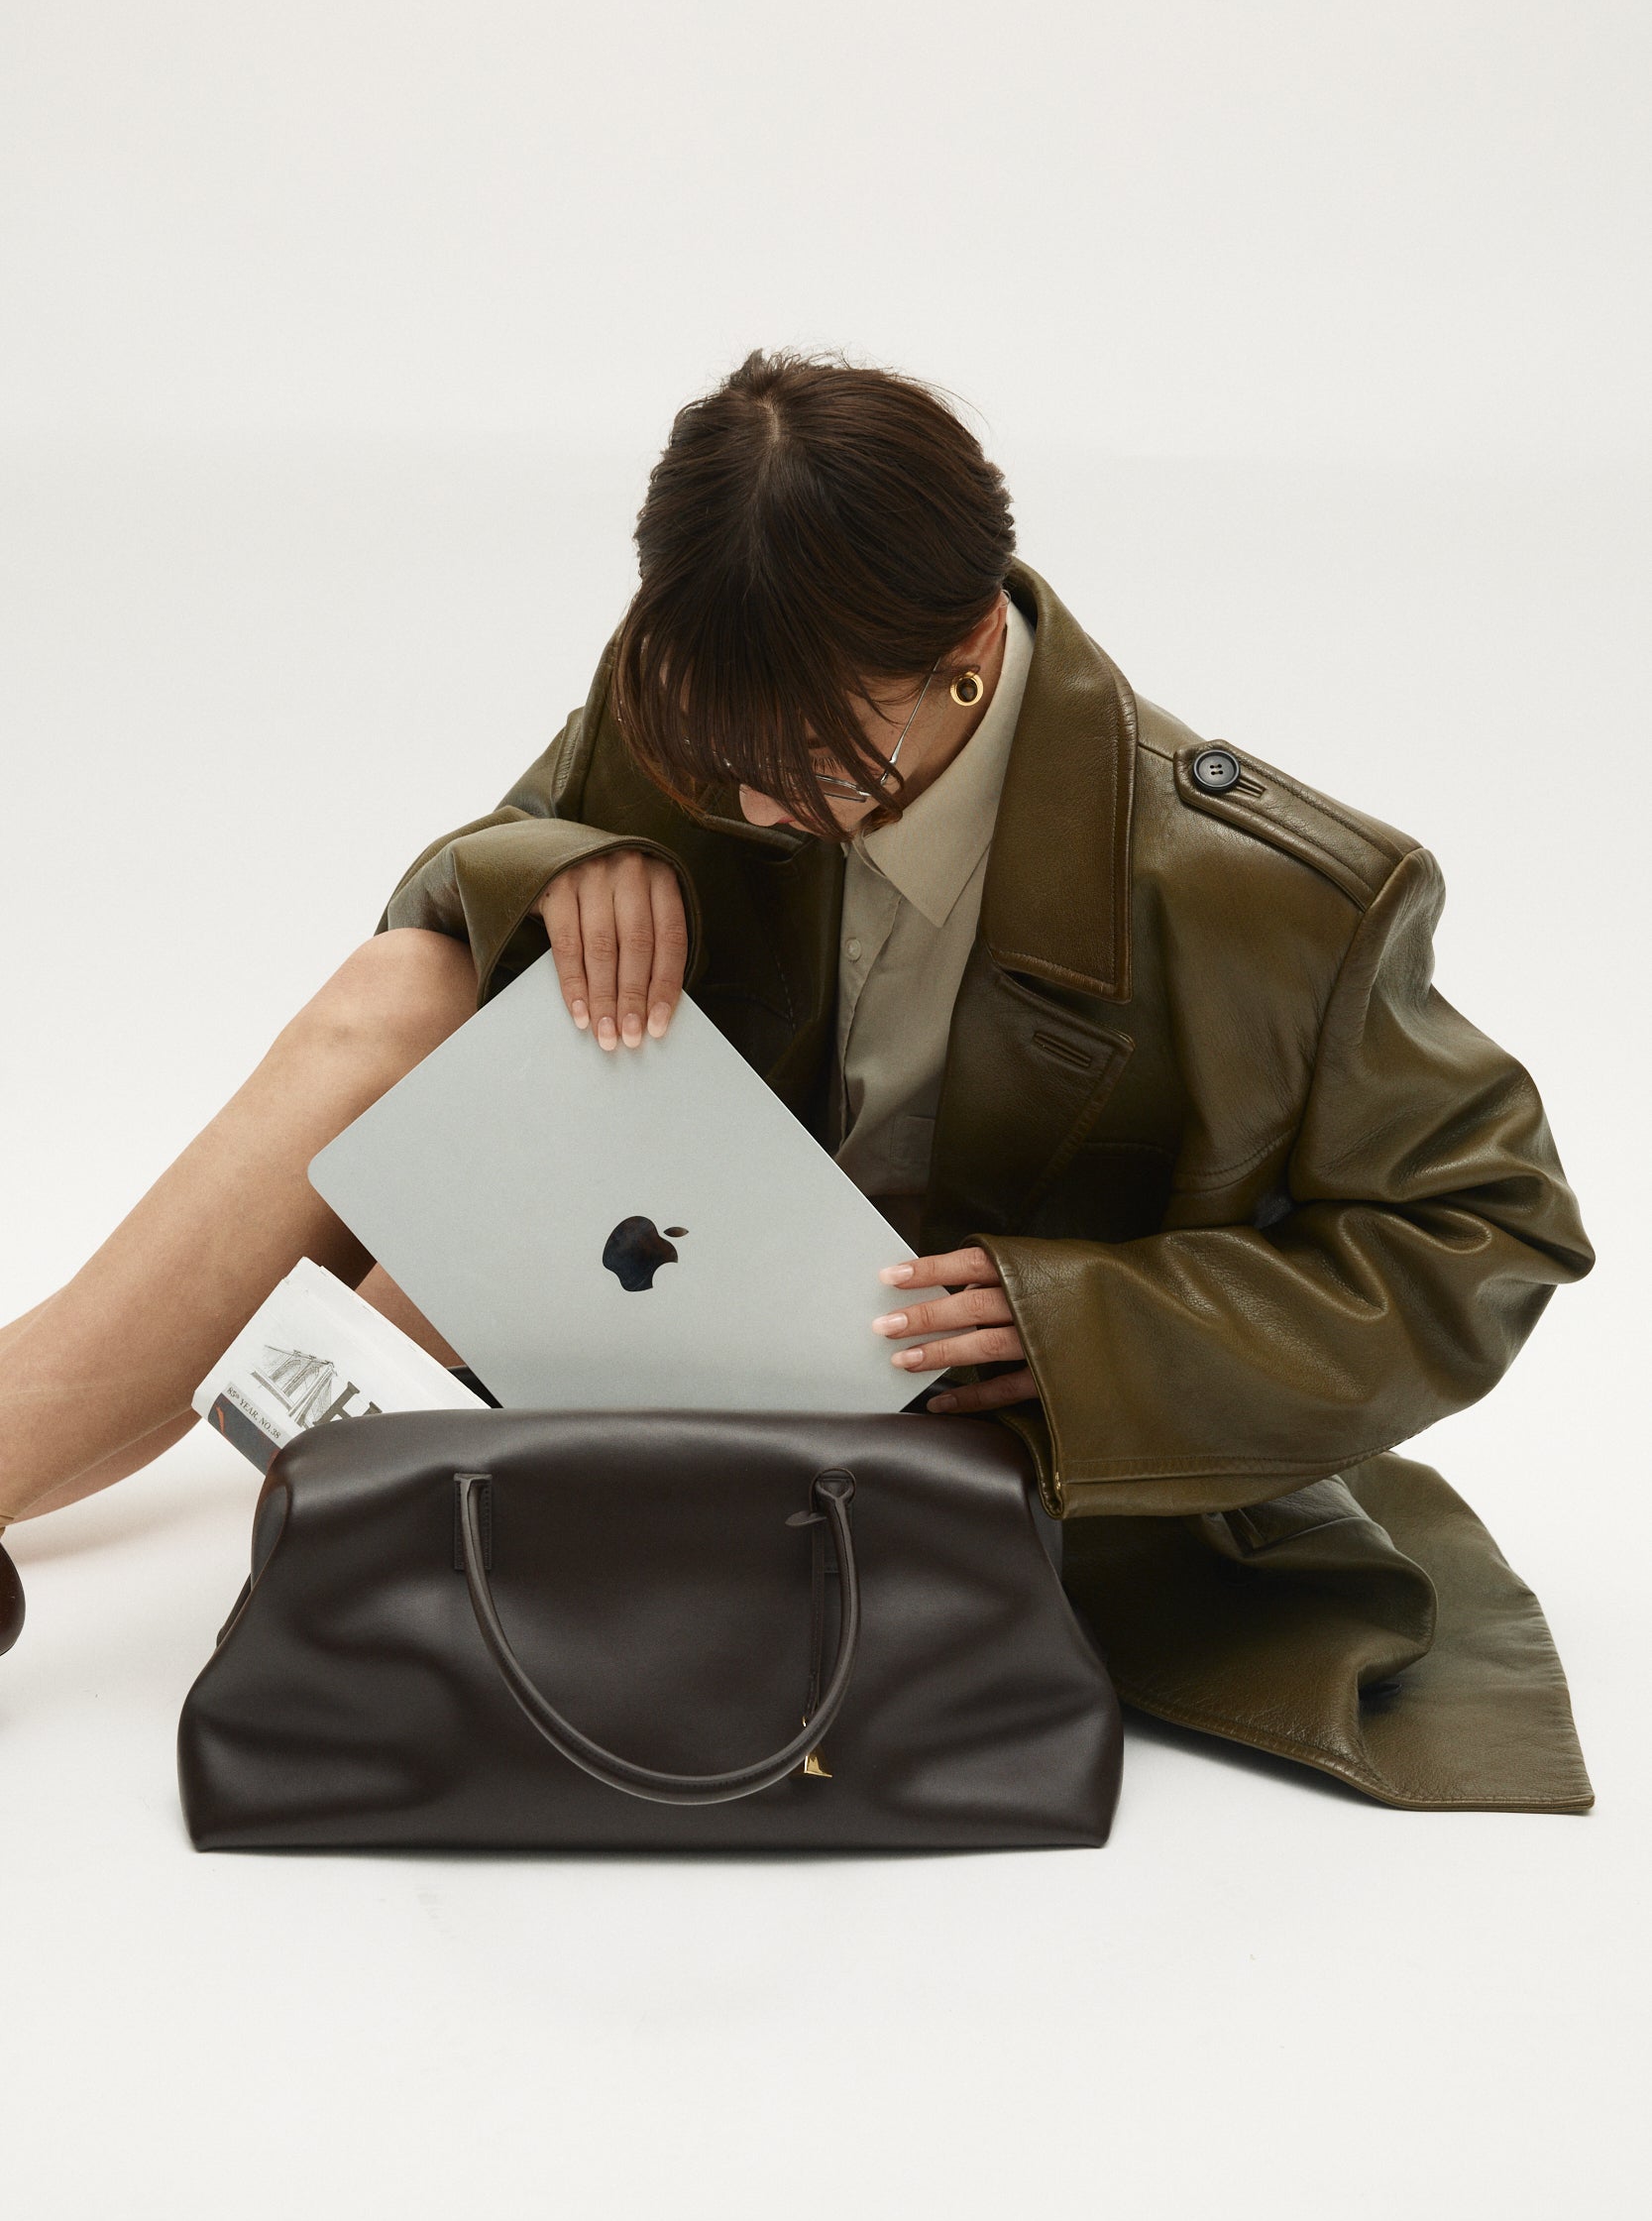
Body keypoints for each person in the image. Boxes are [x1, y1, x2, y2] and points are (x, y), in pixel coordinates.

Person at [0, 351, 1595, 1810]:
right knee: (408, 982)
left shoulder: (1269, 897)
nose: (753, 800)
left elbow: (1489, 1227)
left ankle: (340, 1534)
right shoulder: (712, 691)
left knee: (410, 1261)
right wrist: (560, 867)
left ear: (971, 658)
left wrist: (1078, 1325)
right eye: (714, 763)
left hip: (931, 1418)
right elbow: (482, 915)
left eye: (820, 766)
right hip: (666, 1289)